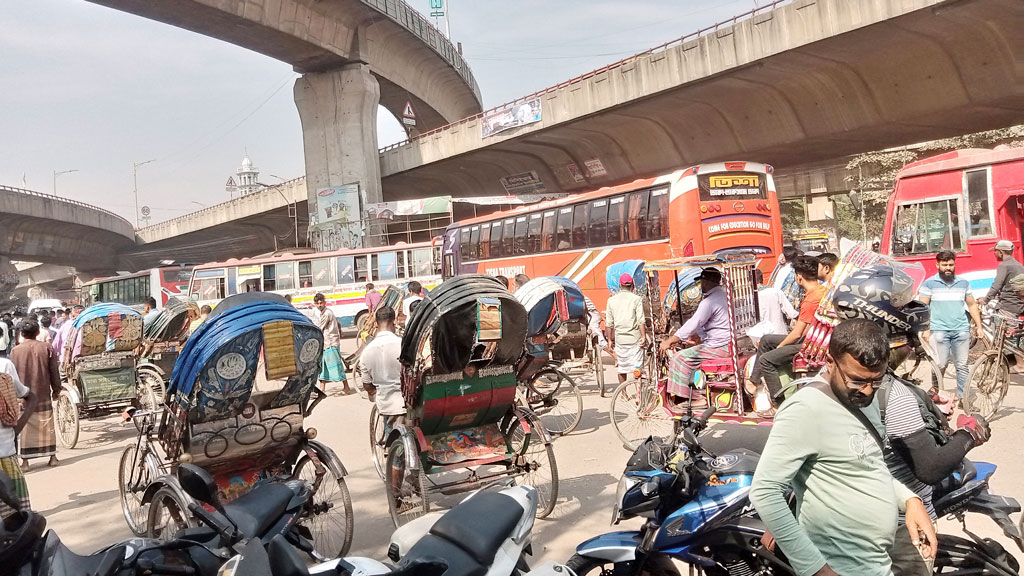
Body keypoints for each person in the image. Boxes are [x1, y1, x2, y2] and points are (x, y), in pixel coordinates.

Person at [750, 319, 937, 576]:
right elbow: (765, 492)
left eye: (876, 381)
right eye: (857, 381)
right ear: (830, 362)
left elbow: (868, 464)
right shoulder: (805, 409)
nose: (868, 391)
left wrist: (910, 500)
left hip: (877, 563)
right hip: (840, 568)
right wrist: (817, 569)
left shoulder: (865, 401)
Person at [748, 255, 825, 404]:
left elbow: (797, 334)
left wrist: (779, 347)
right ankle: (754, 380)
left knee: (766, 360)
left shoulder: (811, 299)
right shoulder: (821, 290)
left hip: (810, 345)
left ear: (799, 277)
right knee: (766, 340)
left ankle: (779, 403)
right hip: (812, 339)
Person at [658, 268, 732, 402]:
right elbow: (704, 324)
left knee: (678, 358)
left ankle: (690, 398)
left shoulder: (709, 301)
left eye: (702, 281)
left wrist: (670, 341)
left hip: (719, 346)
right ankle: (698, 389)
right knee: (690, 352)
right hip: (725, 343)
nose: (701, 285)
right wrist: (695, 336)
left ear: (708, 282)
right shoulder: (723, 296)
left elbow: (694, 322)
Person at [918, 251, 984, 399]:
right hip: (938, 331)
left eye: (950, 264)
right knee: (940, 365)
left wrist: (979, 327)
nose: (948, 267)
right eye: (944, 264)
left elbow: (972, 305)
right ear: (937, 265)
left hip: (961, 330)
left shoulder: (963, 283)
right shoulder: (929, 284)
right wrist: (925, 329)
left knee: (962, 366)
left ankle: (964, 398)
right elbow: (923, 308)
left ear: (954, 265)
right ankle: (937, 394)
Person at [11, 321, 61, 470]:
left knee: (24, 427)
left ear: (21, 333)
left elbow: (12, 376)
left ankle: (25, 462)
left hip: (23, 396)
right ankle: (52, 457)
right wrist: (57, 389)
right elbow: (54, 371)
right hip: (43, 393)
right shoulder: (46, 348)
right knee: (46, 424)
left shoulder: (15, 351)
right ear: (38, 332)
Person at [0, 355, 37, 519]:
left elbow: (31, 397)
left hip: (6, 460)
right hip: (7, 458)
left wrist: (16, 429)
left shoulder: (4, 373)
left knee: (15, 524)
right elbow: (31, 398)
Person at [360, 307, 405, 425]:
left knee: (391, 438)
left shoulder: (366, 352)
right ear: (394, 321)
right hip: (405, 403)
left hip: (384, 404)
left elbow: (367, 385)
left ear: (375, 324)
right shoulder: (403, 345)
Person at [605, 274, 647, 384]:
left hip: (620, 341)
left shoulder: (611, 300)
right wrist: (643, 337)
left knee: (622, 368)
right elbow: (640, 320)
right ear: (632, 285)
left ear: (620, 285)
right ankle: (639, 394)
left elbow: (609, 323)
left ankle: (623, 394)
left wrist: (609, 340)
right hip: (635, 340)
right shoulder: (637, 299)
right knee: (637, 367)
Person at [746, 268, 798, 346]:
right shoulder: (776, 292)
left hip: (762, 339)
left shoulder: (750, 298)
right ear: (762, 279)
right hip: (780, 335)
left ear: (750, 282)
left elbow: (749, 321)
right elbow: (792, 313)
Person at [312, 293, 351, 394]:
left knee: (337, 366)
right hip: (325, 344)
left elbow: (320, 328)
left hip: (331, 343)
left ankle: (346, 387)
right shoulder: (324, 312)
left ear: (324, 303)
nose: (319, 305)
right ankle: (322, 389)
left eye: (321, 303)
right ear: (315, 304)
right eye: (317, 303)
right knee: (323, 367)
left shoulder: (327, 314)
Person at [981, 239, 1024, 314]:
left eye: (995, 251)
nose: (994, 253)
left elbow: (996, 285)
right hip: (1019, 306)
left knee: (999, 325)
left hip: (1007, 307)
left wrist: (985, 300)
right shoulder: (1019, 265)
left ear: (1001, 252)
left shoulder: (1004, 265)